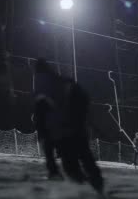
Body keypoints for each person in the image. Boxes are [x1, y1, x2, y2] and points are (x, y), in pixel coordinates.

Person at [33, 58, 104, 193]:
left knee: (72, 165)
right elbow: (84, 98)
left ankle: (86, 184)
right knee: (85, 158)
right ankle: (96, 186)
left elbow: (40, 115)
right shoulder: (64, 82)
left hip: (62, 133)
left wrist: (44, 134)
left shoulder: (42, 89)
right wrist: (80, 118)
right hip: (73, 130)